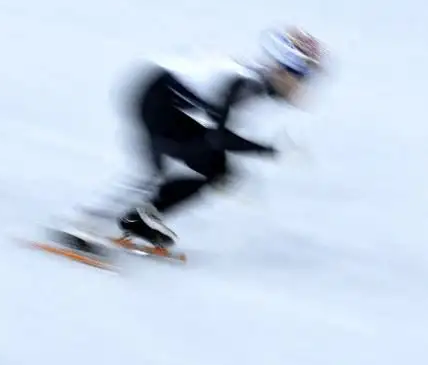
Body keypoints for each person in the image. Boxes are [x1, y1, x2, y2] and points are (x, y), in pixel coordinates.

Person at [102, 27, 325, 253]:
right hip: (153, 98)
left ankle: (138, 220)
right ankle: (86, 226)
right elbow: (220, 138)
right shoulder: (242, 83)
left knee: (216, 168)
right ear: (281, 70)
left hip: (166, 101)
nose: (303, 87)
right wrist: (273, 151)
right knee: (153, 173)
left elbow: (217, 134)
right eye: (302, 77)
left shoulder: (260, 81)